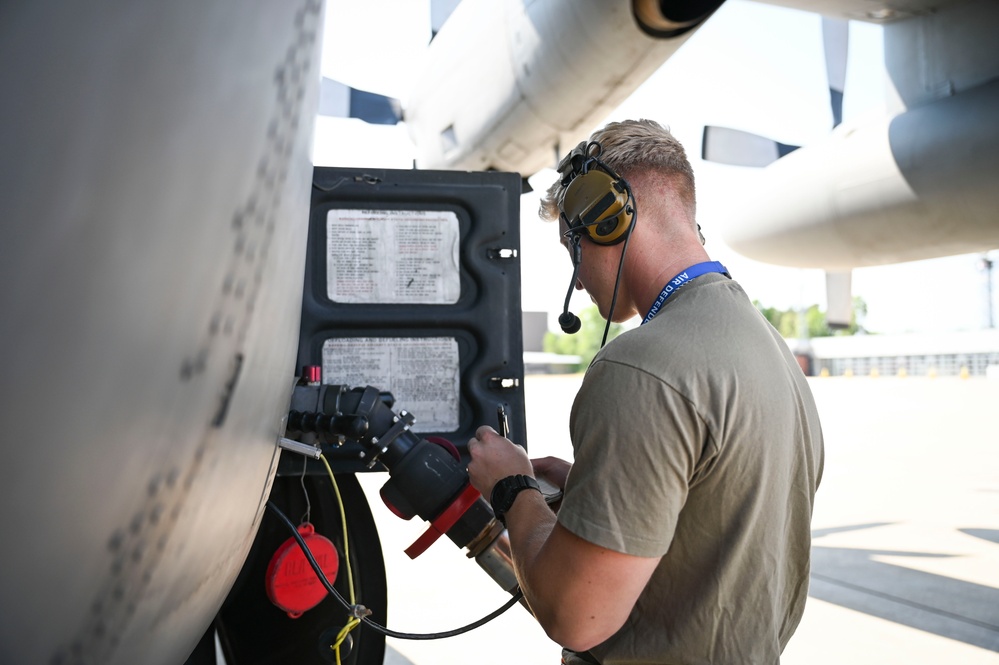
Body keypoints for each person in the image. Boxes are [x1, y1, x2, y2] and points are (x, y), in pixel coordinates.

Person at [467, 119, 824, 664]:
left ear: (608, 220)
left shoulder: (640, 367)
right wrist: (590, 489)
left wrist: (513, 489)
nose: (579, 281)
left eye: (573, 250)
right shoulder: (770, 348)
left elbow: (575, 615)